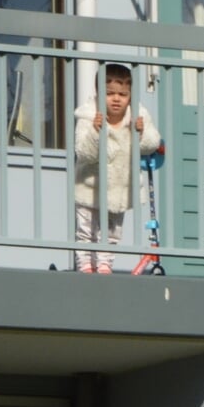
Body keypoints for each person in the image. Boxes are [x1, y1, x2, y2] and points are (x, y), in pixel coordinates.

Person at [72, 63, 161, 273]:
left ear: (130, 95)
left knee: (111, 233)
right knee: (86, 231)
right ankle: (85, 264)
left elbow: (152, 144)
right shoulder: (88, 117)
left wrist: (140, 133)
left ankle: (104, 264)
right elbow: (84, 152)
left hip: (119, 188)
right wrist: (96, 131)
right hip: (89, 186)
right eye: (110, 93)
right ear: (98, 94)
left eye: (123, 94)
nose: (116, 99)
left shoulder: (137, 116)